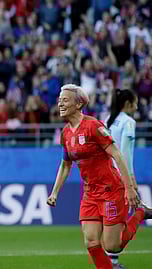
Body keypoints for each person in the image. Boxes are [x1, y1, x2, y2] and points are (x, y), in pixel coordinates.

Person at [46, 84, 152, 269]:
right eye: (59, 100)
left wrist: (128, 188)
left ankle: (141, 213)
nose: (60, 104)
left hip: (111, 189)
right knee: (91, 242)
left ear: (78, 104)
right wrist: (55, 192)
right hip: (90, 193)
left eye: (65, 100)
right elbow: (65, 165)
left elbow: (117, 155)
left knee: (113, 246)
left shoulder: (93, 126)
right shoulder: (66, 133)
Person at [104, 89, 139, 268]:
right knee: (118, 220)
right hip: (119, 178)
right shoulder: (129, 122)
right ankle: (114, 262)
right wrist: (130, 179)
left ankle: (113, 262)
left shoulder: (107, 120)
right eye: (135, 102)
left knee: (108, 220)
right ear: (127, 104)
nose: (137, 106)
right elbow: (125, 152)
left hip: (105, 177)